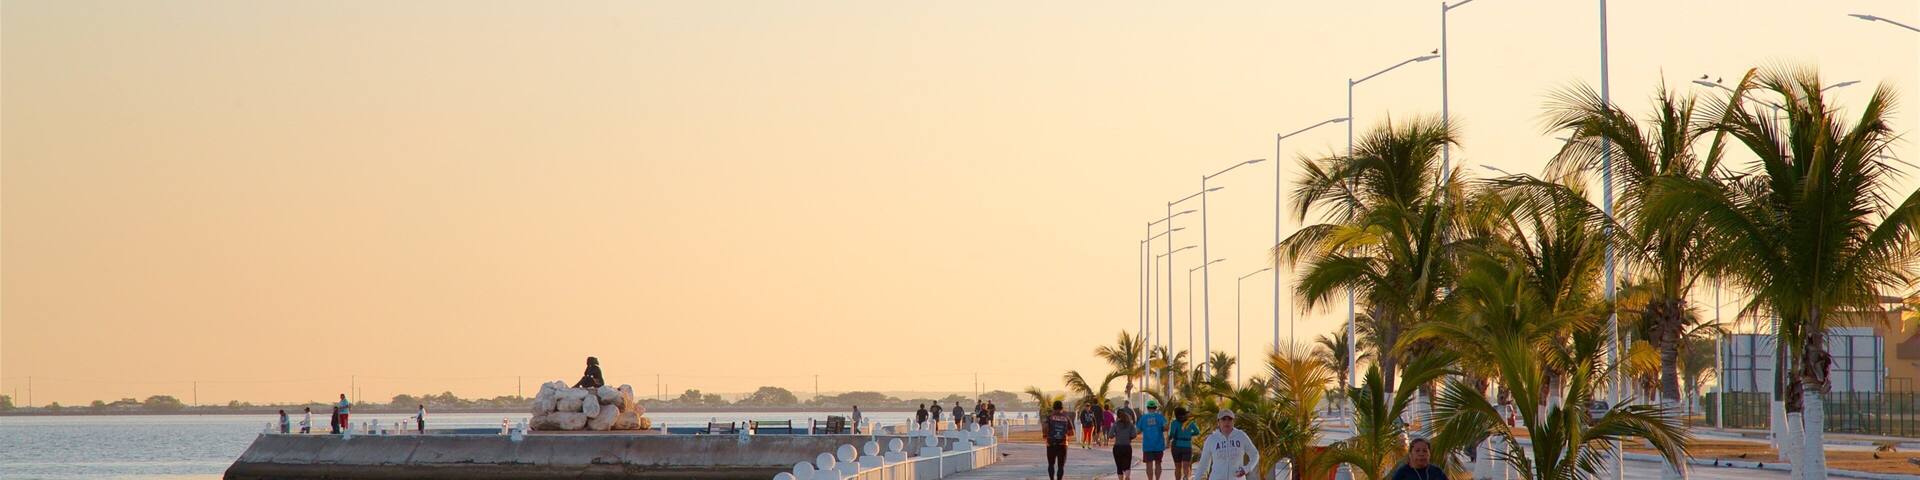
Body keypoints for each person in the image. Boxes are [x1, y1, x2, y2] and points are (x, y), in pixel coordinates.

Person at [1190, 410, 1258, 480]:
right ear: (1218, 422)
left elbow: (1255, 455)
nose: (1227, 422)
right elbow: (1203, 464)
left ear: (1233, 421)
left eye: (1230, 419)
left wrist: (1246, 469)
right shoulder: (1211, 439)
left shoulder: (1241, 436)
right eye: (1223, 419)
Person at [1137, 400, 1168, 480]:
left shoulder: (1144, 417)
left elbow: (1138, 431)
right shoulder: (1160, 417)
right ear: (1155, 408)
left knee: (1149, 465)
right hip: (1159, 445)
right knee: (1158, 463)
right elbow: (1166, 428)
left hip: (1147, 446)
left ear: (1147, 408)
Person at [1043, 400, 1074, 480]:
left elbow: (1045, 427)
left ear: (1053, 408)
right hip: (1063, 444)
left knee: (1051, 464)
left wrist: (1045, 435)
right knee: (1061, 466)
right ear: (1062, 408)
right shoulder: (1066, 418)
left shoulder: (1049, 417)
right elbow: (1071, 433)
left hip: (1051, 443)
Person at [1170, 407, 1199, 480]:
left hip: (1176, 446)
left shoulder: (1174, 423)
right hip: (1187, 446)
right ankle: (1186, 477)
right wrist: (1189, 434)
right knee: (1186, 466)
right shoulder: (1190, 422)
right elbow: (1197, 432)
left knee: (1177, 467)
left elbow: (1172, 434)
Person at [1111, 406, 1139, 479]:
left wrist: (1116, 434)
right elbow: (1134, 434)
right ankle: (1127, 476)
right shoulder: (1130, 424)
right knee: (1127, 464)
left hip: (1117, 447)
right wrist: (1129, 437)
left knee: (1119, 466)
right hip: (1127, 447)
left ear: (1117, 415)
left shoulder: (1116, 424)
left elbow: (1110, 435)